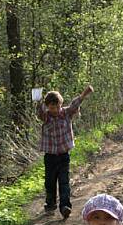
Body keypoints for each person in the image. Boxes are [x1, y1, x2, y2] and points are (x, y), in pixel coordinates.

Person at [37, 85, 94, 218]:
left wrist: (84, 94)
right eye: (51, 108)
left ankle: (65, 207)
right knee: (50, 182)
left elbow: (75, 104)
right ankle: (50, 204)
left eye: (57, 107)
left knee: (64, 182)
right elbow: (39, 112)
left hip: (63, 156)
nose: (55, 110)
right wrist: (38, 100)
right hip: (50, 157)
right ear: (47, 107)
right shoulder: (46, 117)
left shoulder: (66, 113)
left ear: (61, 104)